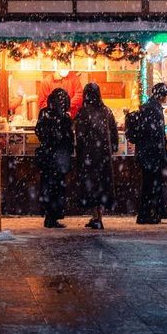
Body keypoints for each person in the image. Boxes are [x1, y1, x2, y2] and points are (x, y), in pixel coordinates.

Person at [75, 83, 118, 230]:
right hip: (104, 156)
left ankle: (96, 217)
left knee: (91, 186)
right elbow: (114, 132)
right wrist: (112, 147)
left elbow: (79, 136)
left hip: (89, 156)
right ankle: (99, 216)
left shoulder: (83, 112)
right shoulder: (106, 111)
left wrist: (79, 152)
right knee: (102, 185)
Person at [129, 83, 167, 225]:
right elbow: (156, 134)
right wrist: (162, 152)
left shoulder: (149, 107)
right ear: (163, 95)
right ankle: (147, 214)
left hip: (147, 153)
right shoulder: (153, 109)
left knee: (149, 185)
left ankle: (150, 212)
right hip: (151, 155)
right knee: (151, 185)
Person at [35, 88, 74, 228]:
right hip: (59, 159)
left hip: (46, 157)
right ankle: (53, 216)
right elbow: (69, 138)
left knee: (47, 186)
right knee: (57, 188)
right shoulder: (65, 118)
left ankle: (48, 215)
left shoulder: (43, 113)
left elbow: (38, 131)